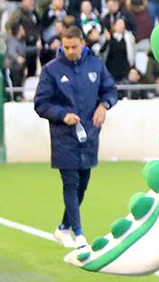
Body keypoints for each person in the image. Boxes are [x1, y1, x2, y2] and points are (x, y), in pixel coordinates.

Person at [33, 25, 119, 249]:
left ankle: (63, 228)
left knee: (82, 185)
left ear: (82, 43)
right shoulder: (51, 70)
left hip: (89, 136)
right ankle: (79, 234)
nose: (70, 51)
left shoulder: (96, 65)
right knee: (70, 184)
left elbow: (110, 91)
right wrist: (62, 115)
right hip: (64, 137)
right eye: (66, 47)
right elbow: (40, 104)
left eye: (73, 46)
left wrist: (104, 105)